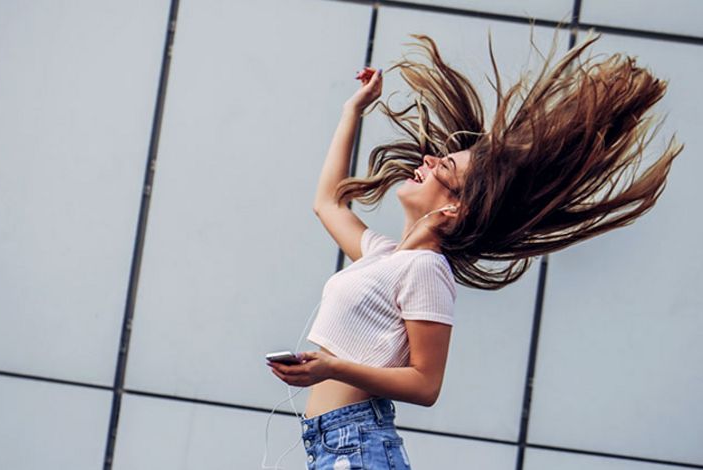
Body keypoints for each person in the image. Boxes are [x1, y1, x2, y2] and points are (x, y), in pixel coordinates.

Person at [267, 30, 683, 470]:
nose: (428, 160)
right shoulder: (384, 257)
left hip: (357, 447)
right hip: (333, 446)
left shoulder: (427, 270)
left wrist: (331, 369)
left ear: (453, 208)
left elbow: (426, 385)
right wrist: (353, 109)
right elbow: (327, 203)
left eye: (442, 165)